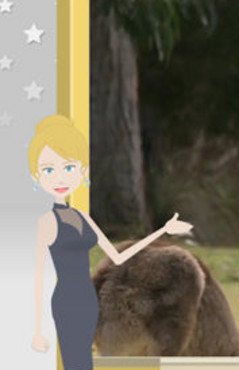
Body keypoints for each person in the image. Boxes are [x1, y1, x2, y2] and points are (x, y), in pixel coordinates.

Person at [29, 115, 193, 369]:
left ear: (81, 171)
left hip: (87, 298)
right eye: (49, 170)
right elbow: (39, 275)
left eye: (68, 168)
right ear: (37, 176)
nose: (60, 177)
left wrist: (162, 229)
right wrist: (37, 330)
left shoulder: (82, 217)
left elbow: (117, 257)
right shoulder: (46, 222)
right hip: (65, 298)